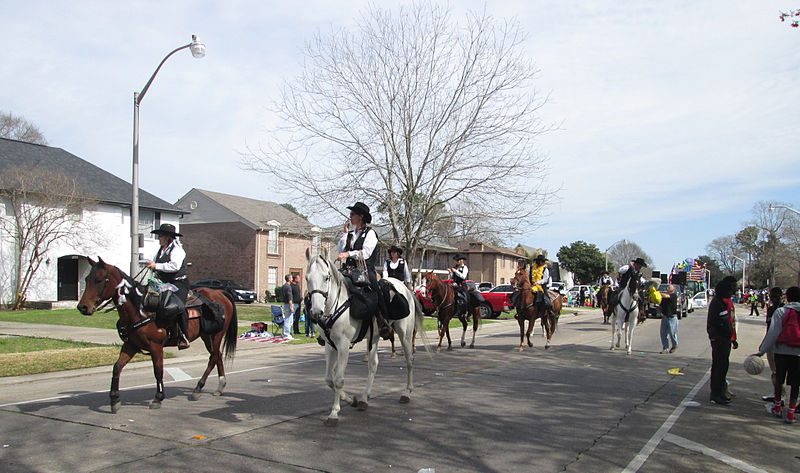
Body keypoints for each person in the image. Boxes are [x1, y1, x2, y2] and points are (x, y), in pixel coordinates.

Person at [335, 201, 391, 339]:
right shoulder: (351, 234)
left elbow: (365, 253)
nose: (350, 217)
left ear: (361, 216)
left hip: (364, 270)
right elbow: (341, 249)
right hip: (348, 270)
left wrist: (348, 254)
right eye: (350, 214)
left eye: (353, 214)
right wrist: (345, 234)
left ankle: (383, 320)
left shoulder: (370, 233)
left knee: (375, 287)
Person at [753, 286, 800, 424]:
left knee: (779, 379)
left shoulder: (781, 312)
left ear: (787, 297)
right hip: (798, 353)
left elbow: (773, 333)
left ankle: (778, 407)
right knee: (796, 384)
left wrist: (762, 350)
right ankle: (791, 413)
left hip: (781, 351)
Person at [145, 223, 190, 350]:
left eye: (161, 236)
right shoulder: (161, 251)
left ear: (168, 237)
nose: (159, 238)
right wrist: (153, 266)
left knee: (177, 306)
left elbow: (174, 266)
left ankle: (183, 336)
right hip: (163, 283)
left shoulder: (178, 250)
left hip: (178, 283)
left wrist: (156, 266)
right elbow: (156, 264)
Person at [707, 276, 738, 405]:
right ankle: (715, 393)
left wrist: (732, 338)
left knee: (723, 366)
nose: (732, 292)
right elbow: (722, 323)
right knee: (719, 366)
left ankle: (720, 392)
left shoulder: (722, 302)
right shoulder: (718, 303)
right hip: (719, 339)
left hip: (724, 339)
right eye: (730, 290)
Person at [762, 287, 785, 402]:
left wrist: (765, 344)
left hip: (778, 343)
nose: (772, 298)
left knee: (777, 370)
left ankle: (779, 395)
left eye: (774, 296)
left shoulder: (781, 310)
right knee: (776, 370)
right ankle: (779, 393)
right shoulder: (773, 309)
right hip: (778, 343)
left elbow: (771, 329)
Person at [659, 285, 679, 353]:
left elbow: (667, 296)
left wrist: (658, 293)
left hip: (672, 317)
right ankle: (665, 348)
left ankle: (675, 345)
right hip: (664, 317)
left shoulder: (673, 295)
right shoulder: (664, 297)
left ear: (673, 289)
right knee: (663, 333)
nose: (667, 288)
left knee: (672, 333)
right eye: (667, 287)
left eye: (669, 287)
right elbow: (660, 305)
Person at [281, 274, 295, 340]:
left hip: (285, 304)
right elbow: (289, 297)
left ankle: (287, 333)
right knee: (288, 319)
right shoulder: (288, 287)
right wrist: (291, 306)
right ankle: (286, 334)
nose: (292, 279)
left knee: (290, 320)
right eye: (291, 278)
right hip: (288, 304)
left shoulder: (284, 286)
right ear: (289, 279)